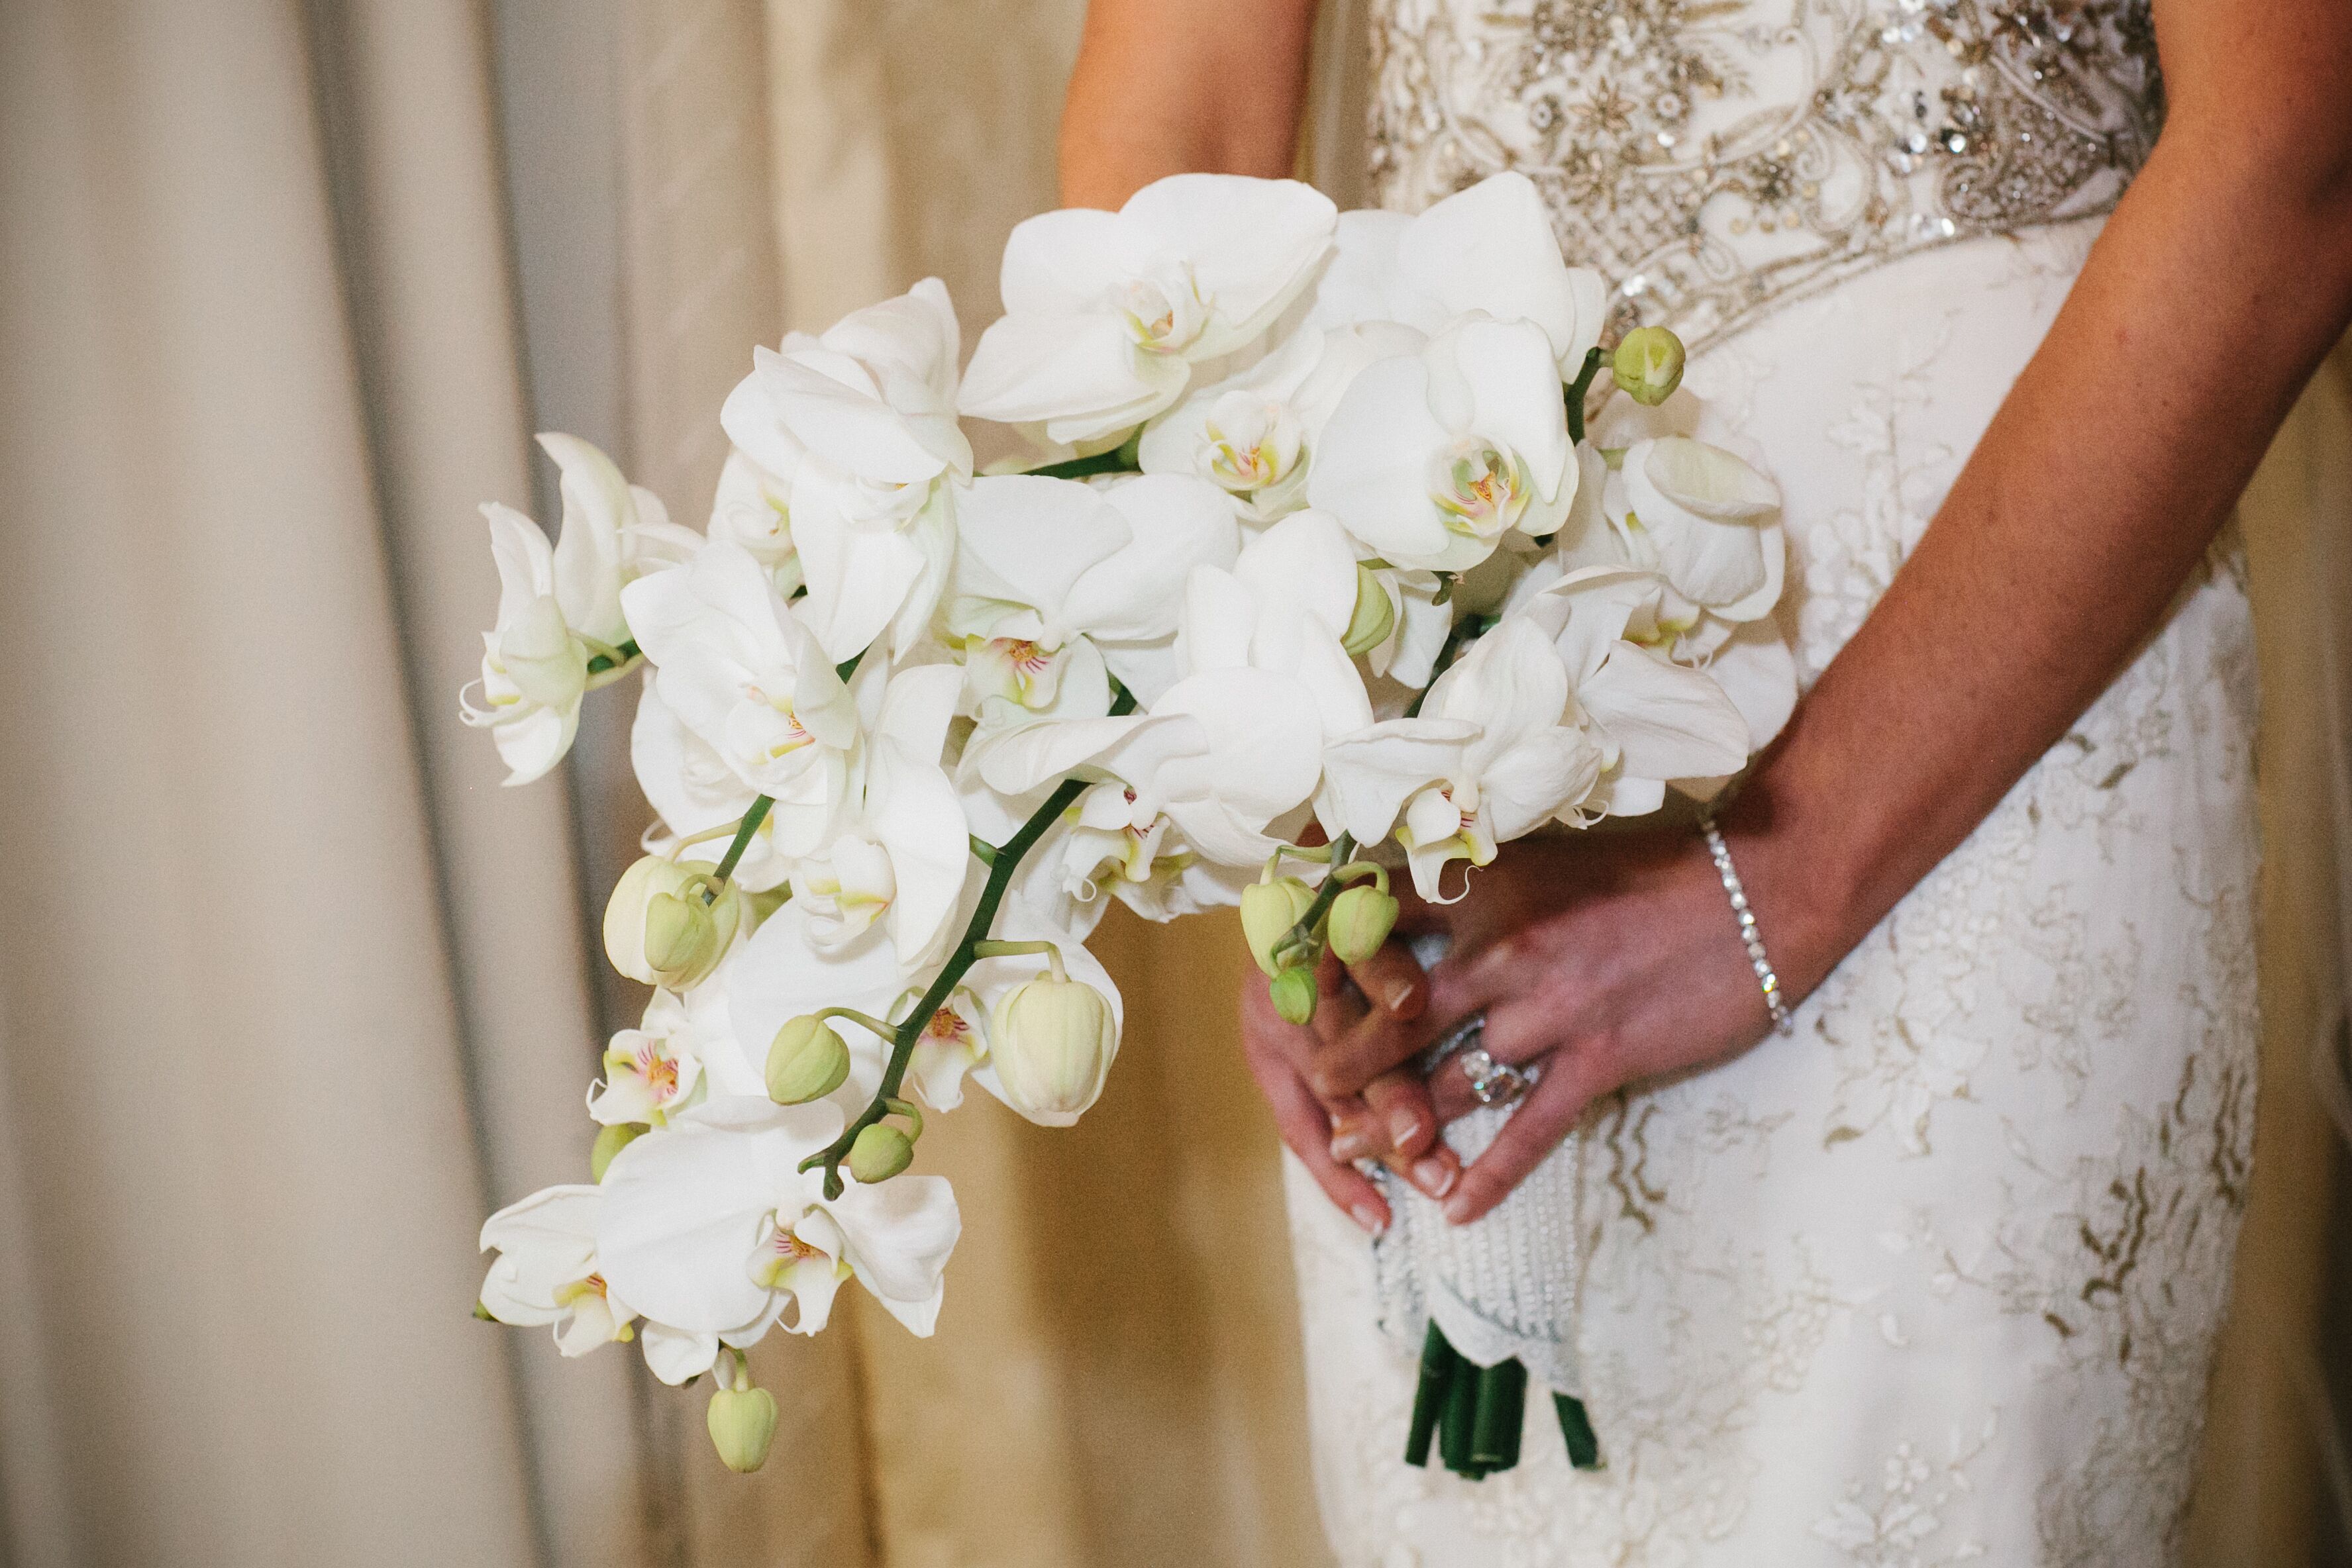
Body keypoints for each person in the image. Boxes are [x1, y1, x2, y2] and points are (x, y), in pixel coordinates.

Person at [1060, 0, 2352, 1561]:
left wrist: (1783, 864)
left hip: (1979, 720)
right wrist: (1276, 781)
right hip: (1452, 679)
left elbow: (2291, 144)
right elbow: (1173, 139)